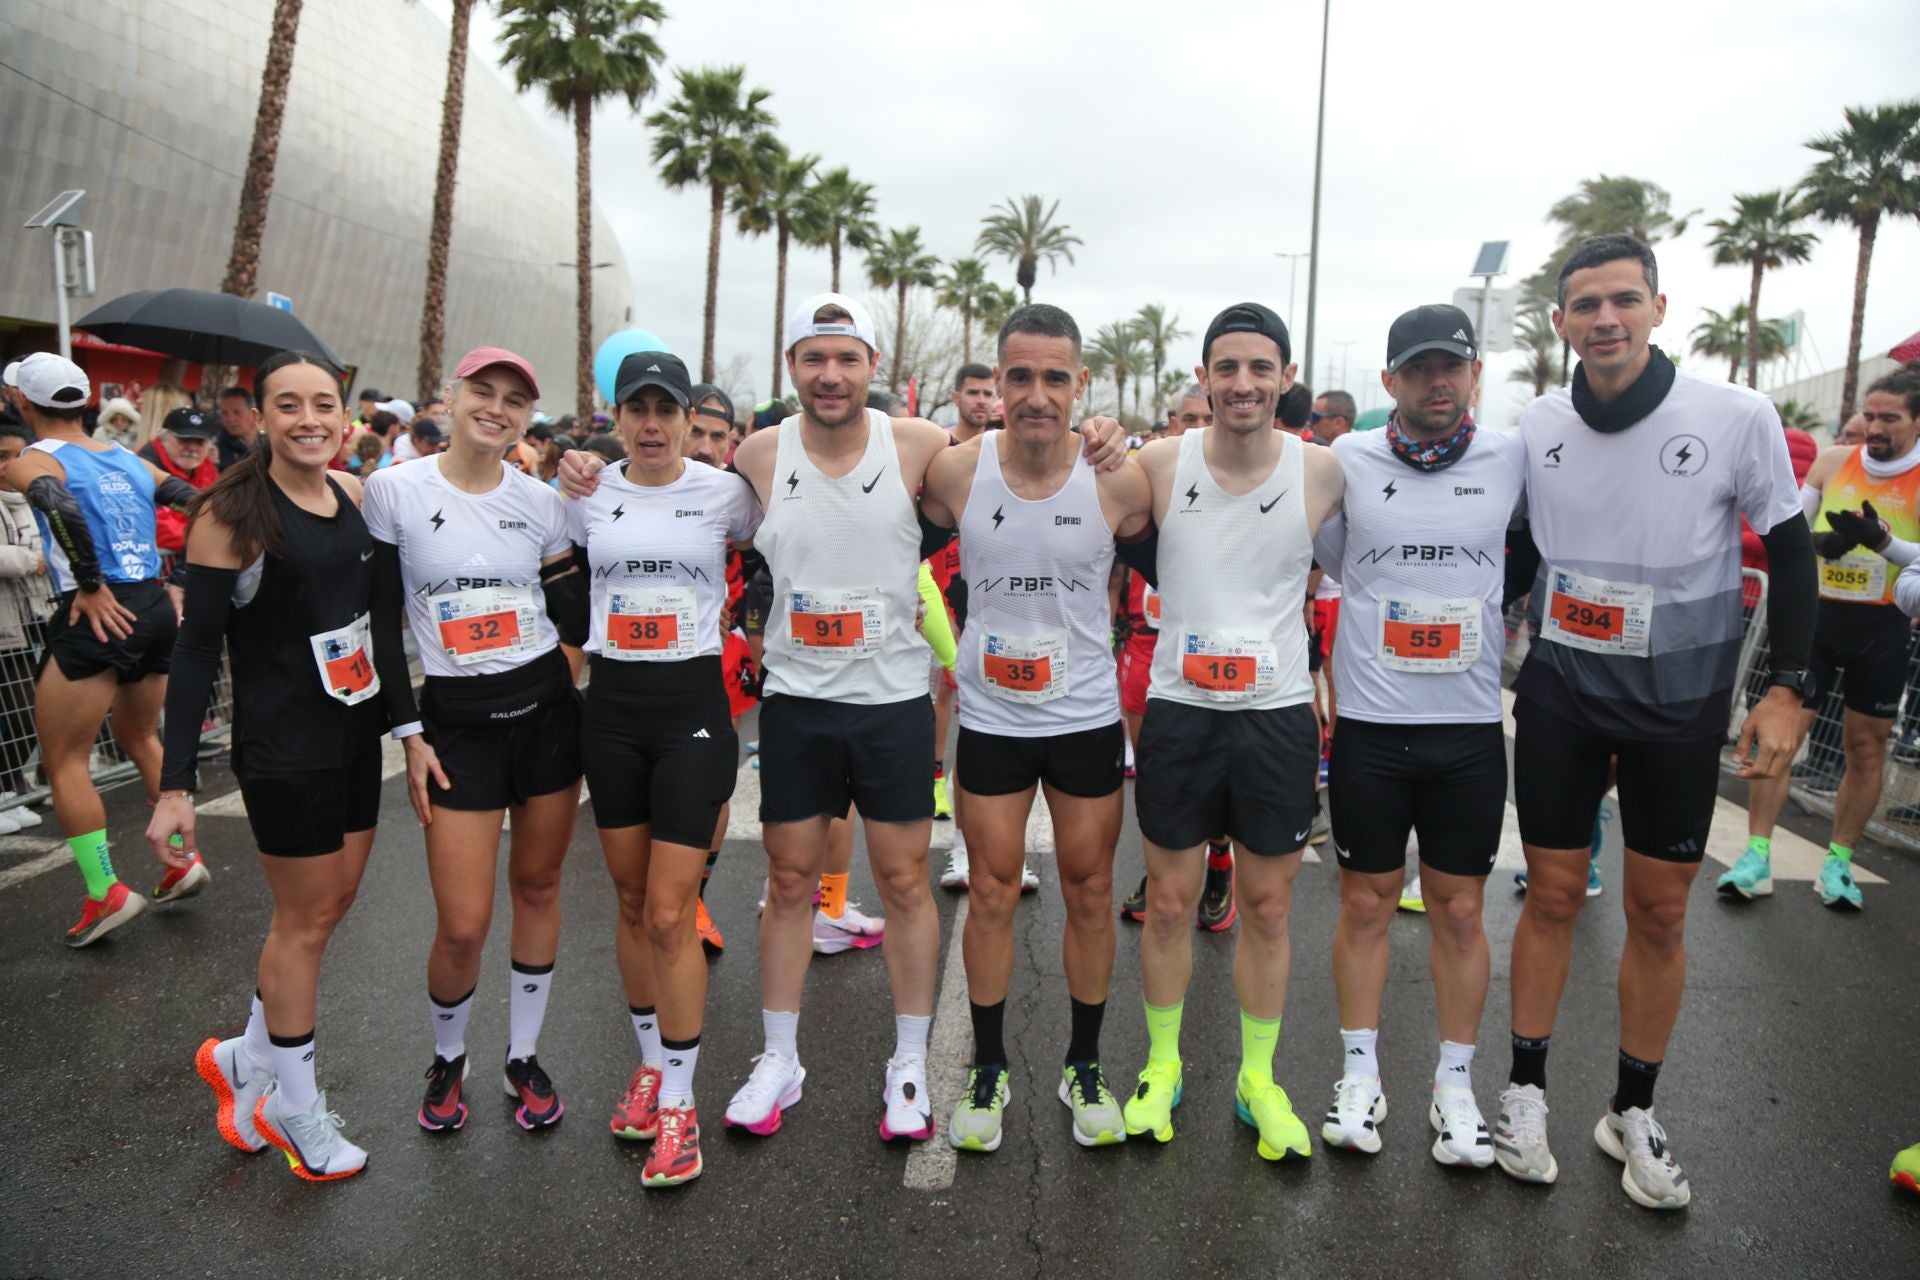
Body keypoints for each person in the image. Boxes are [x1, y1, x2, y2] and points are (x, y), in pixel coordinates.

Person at [562, 296, 1125, 1141]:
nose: (831, 375)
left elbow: (1019, 464)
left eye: (848, 359)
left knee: (903, 881)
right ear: (792, 366)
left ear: (871, 368)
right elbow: (664, 490)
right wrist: (579, 470)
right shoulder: (756, 455)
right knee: (788, 883)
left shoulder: (923, 448)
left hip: (894, 702)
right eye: (814, 358)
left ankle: (908, 1062)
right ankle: (779, 1058)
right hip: (797, 701)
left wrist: (1107, 436)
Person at [1500, 235, 1814, 1210]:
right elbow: (1511, 552)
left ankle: (1631, 1106)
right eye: (1585, 304)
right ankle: (1523, 1089)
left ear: (1659, 307)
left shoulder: (1734, 415)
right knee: (1551, 896)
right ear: (1559, 323)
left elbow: (1793, 551)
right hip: (1559, 693)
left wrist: (1787, 686)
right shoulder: (1536, 422)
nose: (1605, 318)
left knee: (1661, 911)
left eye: (1623, 299)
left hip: (1678, 708)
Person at [149, 349, 418, 1183]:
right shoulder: (230, 512)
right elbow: (194, 651)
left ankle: (243, 1060)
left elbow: (381, 625)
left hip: (350, 739)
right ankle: (295, 1108)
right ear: (256, 417)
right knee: (300, 925)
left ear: (346, 416)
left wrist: (407, 732)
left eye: (324, 404)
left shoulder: (353, 495)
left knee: (330, 906)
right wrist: (175, 783)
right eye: (288, 404)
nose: (309, 418)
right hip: (280, 747)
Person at [920, 305, 1153, 1152]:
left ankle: (1083, 1063)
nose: (1037, 394)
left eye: (1056, 377)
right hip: (990, 717)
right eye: (1020, 376)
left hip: (1086, 716)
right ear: (996, 384)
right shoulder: (953, 471)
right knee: (989, 889)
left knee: (1091, 890)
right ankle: (988, 1067)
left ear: (1082, 384)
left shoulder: (1120, 480)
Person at [1121, 303, 1343, 1162]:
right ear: (1204, 376)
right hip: (1181, 714)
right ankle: (1162, 1065)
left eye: (1261, 367)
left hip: (1276, 718)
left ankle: (1259, 1078)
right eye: (1227, 367)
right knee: (1170, 904)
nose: (1243, 383)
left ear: (1286, 377)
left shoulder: (1324, 470)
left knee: (1268, 905)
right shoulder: (1160, 462)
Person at [1311, 305, 1527, 1169]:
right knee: (1364, 904)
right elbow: (1327, 558)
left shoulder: (1510, 459)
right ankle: (1358, 1073)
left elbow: (1534, 552)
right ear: (1391, 381)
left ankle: (1455, 1084)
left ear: (1474, 376)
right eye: (1420, 368)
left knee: (1462, 910)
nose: (1439, 381)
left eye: (1454, 367)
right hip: (1371, 727)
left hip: (1470, 732)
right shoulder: (1345, 461)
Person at [360, 348, 586, 1137]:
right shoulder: (393, 490)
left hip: (548, 717)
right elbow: (381, 627)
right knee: (462, 922)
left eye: (514, 401)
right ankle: (447, 1054)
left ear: (529, 416)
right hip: (457, 725)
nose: (497, 409)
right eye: (483, 393)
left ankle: (522, 1055)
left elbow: (579, 619)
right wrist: (408, 732)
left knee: (538, 887)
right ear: (452, 398)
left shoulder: (545, 504)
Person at [569, 351, 759, 1188]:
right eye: (636, 408)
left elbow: (789, 529)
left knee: (674, 909)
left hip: (692, 714)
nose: (651, 424)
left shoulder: (727, 493)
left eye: (666, 410)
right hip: (610, 713)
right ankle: (650, 1064)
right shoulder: (583, 493)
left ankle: (679, 1105)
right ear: (616, 416)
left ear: (692, 420)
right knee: (632, 898)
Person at [6, 354, 213, 945]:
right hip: (150, 605)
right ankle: (180, 862)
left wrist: (91, 585)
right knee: (140, 736)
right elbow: (205, 505)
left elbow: (59, 505)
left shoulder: (36, 458)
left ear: (23, 402)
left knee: (64, 759)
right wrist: (181, 583)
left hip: (98, 610)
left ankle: (105, 895)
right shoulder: (130, 459)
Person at [1727, 366, 1920, 908]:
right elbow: (1787, 534)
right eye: (1870, 415)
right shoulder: (1836, 462)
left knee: (1866, 747)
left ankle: (1838, 864)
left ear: (1917, 421)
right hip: (1815, 620)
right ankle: (1756, 855)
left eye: (1890, 418)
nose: (1874, 427)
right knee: (1779, 736)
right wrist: (1823, 542)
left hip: (1881, 626)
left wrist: (1878, 544)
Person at [1118, 383, 1238, 933]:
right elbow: (1118, 549)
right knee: (1157, 774)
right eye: (1186, 417)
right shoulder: (1150, 474)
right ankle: (1162, 873)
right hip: (1149, 643)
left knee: (1216, 776)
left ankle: (1218, 865)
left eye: (1204, 417)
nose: (1194, 427)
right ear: (1170, 421)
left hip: (1218, 652)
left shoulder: (1235, 479)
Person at [930, 363, 996, 831]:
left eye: (987, 392)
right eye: (972, 392)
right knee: (937, 691)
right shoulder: (936, 451)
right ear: (956, 396)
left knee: (972, 695)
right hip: (931, 588)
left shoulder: (1003, 449)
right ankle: (933, 776)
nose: (981, 400)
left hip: (981, 589)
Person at [0, 420, 50, 832]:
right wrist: (31, 561)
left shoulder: (32, 499)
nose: (9, 466)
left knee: (30, 707)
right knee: (19, 705)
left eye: (18, 457)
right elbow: (30, 557)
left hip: (31, 616)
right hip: (6, 623)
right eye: (1, 457)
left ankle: (14, 784)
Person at [140, 407, 222, 561]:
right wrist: (213, 538)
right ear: (163, 438)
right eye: (183, 439)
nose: (192, 448)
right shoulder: (142, 468)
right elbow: (154, 525)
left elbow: (223, 512)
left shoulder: (207, 470)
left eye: (200, 442)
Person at [214, 386, 260, 471]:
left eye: (237, 412)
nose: (230, 419)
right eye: (224, 413)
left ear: (253, 413)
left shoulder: (274, 438)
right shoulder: (217, 448)